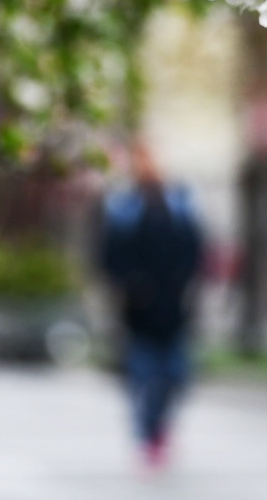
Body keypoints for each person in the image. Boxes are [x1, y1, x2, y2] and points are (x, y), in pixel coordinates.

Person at [97, 143, 204, 469]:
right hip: (139, 313)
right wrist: (129, 286)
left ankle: (159, 430)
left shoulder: (182, 210)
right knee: (142, 379)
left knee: (176, 377)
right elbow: (108, 258)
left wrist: (189, 288)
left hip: (174, 309)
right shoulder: (123, 211)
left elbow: (197, 254)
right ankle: (146, 436)